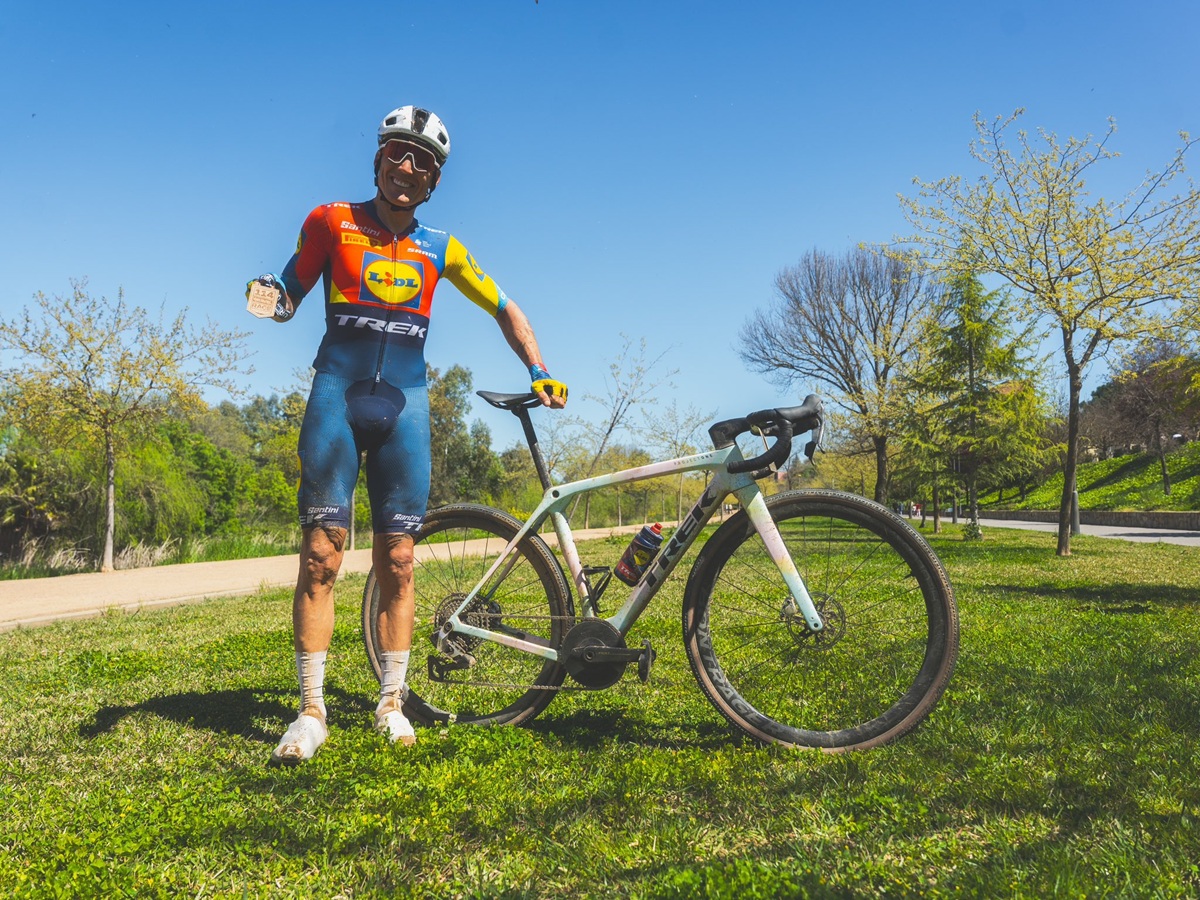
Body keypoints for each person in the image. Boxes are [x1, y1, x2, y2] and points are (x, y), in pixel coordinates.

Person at [247, 105, 567, 765]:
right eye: (398, 152)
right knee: (321, 555)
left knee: (399, 560)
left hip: (406, 406)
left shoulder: (442, 247)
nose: (408, 167)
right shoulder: (330, 220)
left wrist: (538, 369)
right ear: (378, 160)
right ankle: (311, 713)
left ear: (435, 181)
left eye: (424, 161)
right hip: (337, 397)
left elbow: (505, 306)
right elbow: (290, 290)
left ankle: (390, 703)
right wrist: (270, 297)